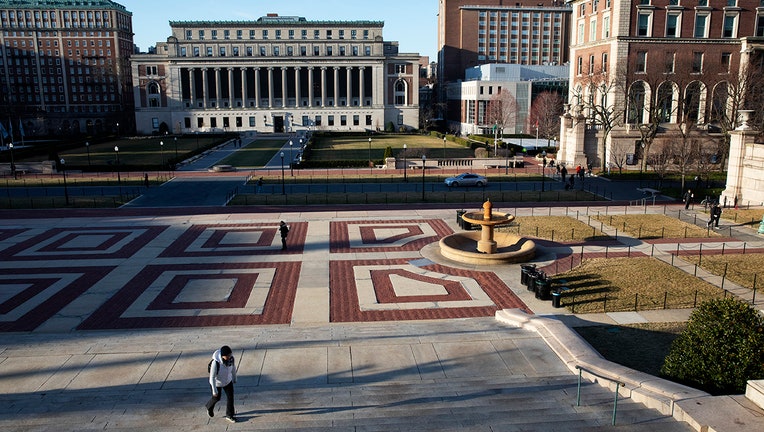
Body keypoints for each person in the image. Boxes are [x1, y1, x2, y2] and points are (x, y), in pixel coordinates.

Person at [205, 345, 237, 423]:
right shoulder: (215, 363)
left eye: (230, 355)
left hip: (227, 381)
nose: (229, 357)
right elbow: (211, 378)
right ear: (223, 356)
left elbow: (233, 368)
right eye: (228, 356)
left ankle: (229, 415)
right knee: (216, 398)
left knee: (230, 397)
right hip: (217, 383)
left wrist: (234, 378)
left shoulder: (231, 359)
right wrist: (214, 391)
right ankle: (209, 407)